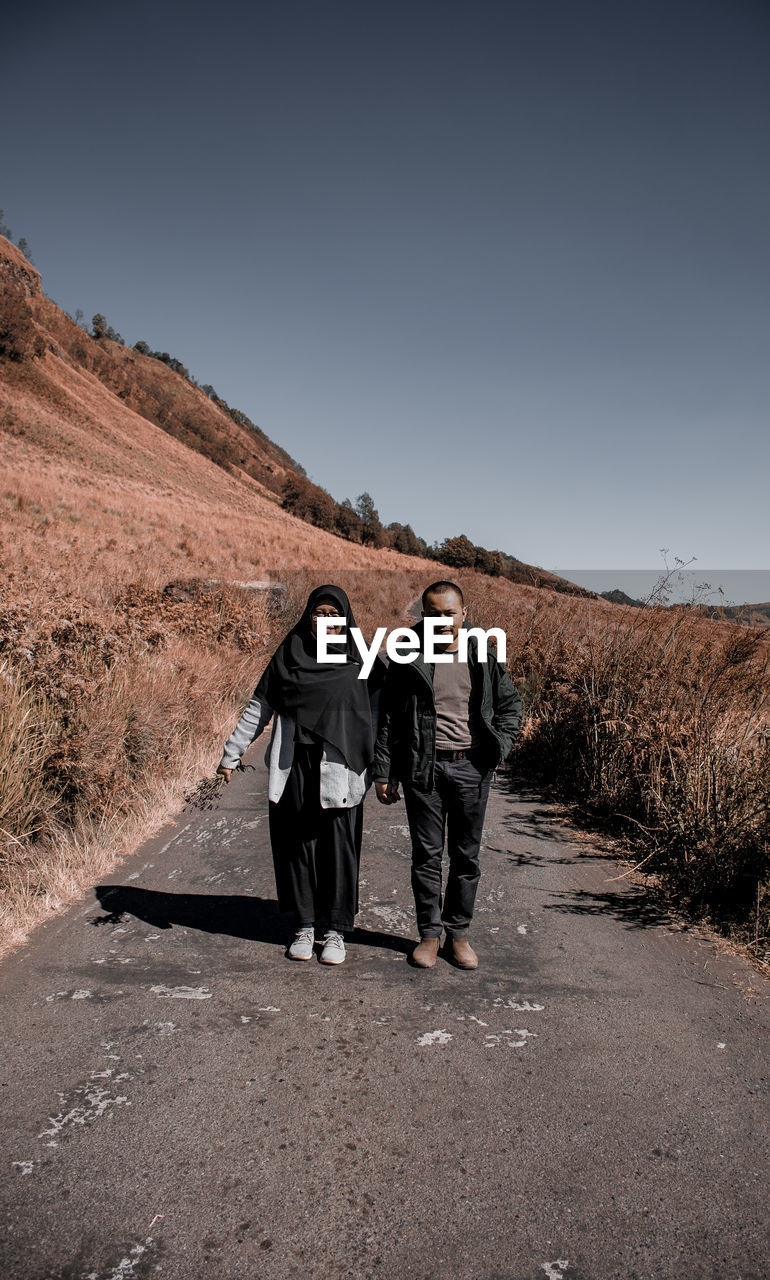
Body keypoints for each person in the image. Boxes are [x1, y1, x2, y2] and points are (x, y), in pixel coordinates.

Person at [216, 584, 381, 965]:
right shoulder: (287, 655)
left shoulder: (363, 660)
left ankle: (336, 931)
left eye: (333, 615)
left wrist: (385, 768)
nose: (326, 621)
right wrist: (231, 754)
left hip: (341, 769)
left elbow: (383, 714)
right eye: (318, 613)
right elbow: (259, 707)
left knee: (339, 850)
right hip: (294, 766)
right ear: (308, 617)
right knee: (298, 848)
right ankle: (305, 925)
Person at [373, 580, 522, 970]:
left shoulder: (483, 654)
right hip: (424, 768)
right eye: (434, 613)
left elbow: (511, 706)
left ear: (464, 613)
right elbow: (389, 716)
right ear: (424, 616)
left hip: (471, 767)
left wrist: (497, 749)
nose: (443, 621)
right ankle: (428, 935)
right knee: (426, 855)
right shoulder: (407, 654)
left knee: (466, 856)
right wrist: (384, 770)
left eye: (449, 613)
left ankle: (458, 934)